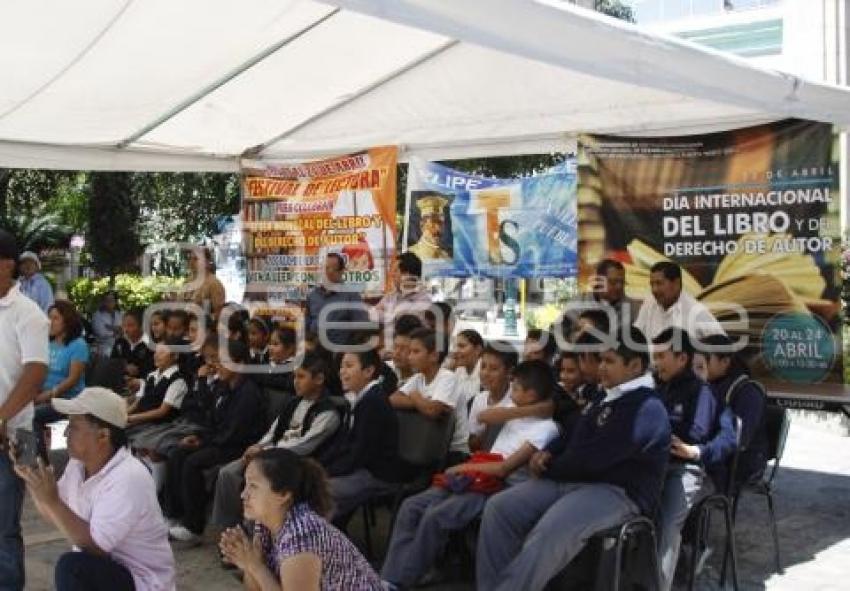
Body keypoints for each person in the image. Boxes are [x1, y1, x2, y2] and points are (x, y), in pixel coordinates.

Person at [476, 326, 670, 591]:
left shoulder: (647, 408)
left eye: (609, 361)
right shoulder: (606, 394)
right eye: (600, 359)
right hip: (573, 479)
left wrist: (549, 467)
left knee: (549, 531)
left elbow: (595, 460)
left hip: (616, 491)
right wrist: (549, 452)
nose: (601, 367)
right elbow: (575, 433)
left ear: (635, 365)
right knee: (500, 508)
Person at [382, 359, 560, 589]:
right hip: (475, 477)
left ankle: (402, 578)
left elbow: (504, 468)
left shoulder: (545, 429)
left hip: (496, 487)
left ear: (531, 394)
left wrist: (462, 467)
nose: (511, 392)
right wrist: (524, 410)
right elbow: (485, 417)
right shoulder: (515, 414)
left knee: (435, 516)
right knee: (411, 506)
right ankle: (389, 575)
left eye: (516, 389)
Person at [13, 387, 175, 591]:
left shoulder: (128, 476)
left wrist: (51, 500)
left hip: (141, 581)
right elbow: (55, 513)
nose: (65, 432)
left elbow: (95, 546)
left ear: (103, 436)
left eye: (73, 427)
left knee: (73, 568)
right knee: (75, 567)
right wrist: (31, 475)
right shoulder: (78, 465)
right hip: (110, 569)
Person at [212, 352, 342, 530]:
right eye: (294, 376)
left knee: (256, 482)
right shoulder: (293, 403)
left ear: (319, 379)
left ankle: (254, 534)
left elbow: (304, 446)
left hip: (296, 462)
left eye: (301, 376)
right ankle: (228, 529)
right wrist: (259, 446)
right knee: (227, 473)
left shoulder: (328, 413)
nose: (296, 381)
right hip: (272, 453)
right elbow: (273, 432)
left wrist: (265, 453)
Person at [219, 448, 383, 590]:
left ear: (283, 495)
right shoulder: (264, 524)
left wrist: (255, 566)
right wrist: (248, 561)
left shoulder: (302, 535)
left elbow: (260, 574)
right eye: (246, 485)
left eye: (253, 486)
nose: (243, 495)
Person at [166, 340, 266, 543]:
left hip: (237, 446)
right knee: (177, 453)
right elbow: (210, 417)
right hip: (218, 440)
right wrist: (200, 438)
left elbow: (233, 433)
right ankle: (176, 515)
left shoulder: (248, 393)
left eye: (223, 361)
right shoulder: (223, 386)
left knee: (193, 462)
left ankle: (194, 526)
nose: (217, 365)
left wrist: (203, 444)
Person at [0, 229, 49, 590]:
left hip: (18, 433)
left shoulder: (28, 312)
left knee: (5, 527)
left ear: (6, 265)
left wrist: (1, 417)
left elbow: (36, 372)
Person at [652, 328, 719, 591]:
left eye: (661, 355)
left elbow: (698, 433)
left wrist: (657, 424)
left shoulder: (701, 392)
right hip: (650, 466)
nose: (656, 362)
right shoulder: (656, 386)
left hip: (683, 470)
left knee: (667, 526)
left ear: (682, 359)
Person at [318, 349, 403, 522]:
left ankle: (320, 541)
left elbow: (360, 453)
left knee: (318, 491)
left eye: (349, 366)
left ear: (368, 371)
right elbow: (342, 443)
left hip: (376, 474)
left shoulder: (373, 401)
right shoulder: (358, 399)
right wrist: (319, 466)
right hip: (359, 468)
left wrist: (327, 473)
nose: (342, 371)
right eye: (341, 366)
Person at [389, 328, 469, 464]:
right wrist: (419, 402)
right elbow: (392, 399)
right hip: (426, 447)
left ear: (434, 356)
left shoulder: (447, 378)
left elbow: (433, 411)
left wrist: (416, 397)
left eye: (416, 352)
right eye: (409, 352)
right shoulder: (418, 378)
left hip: (452, 453)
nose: (409, 357)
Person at [700, 334, 769, 490]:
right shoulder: (707, 385)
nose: (700, 365)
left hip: (739, 464)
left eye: (706, 360)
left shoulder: (748, 392)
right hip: (713, 454)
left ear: (725, 362)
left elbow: (739, 440)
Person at [33, 300, 90, 459]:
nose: (49, 322)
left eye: (55, 318)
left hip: (68, 399)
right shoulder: (47, 343)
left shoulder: (78, 345)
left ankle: (38, 466)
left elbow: (72, 379)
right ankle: (23, 461)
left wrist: (48, 395)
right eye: (48, 317)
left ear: (67, 320)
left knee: (31, 416)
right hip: (43, 395)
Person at [635, 261, 724, 341]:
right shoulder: (649, 304)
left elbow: (721, 345)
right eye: (652, 284)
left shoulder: (696, 311)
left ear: (676, 284)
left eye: (659, 283)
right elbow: (636, 336)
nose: (654, 290)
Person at [126, 341, 190, 445]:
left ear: (175, 356)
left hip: (159, 423)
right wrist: (125, 414)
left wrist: (132, 418)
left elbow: (162, 412)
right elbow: (139, 401)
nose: (156, 356)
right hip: (140, 418)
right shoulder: (151, 375)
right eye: (156, 352)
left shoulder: (178, 380)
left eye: (162, 352)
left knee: (137, 442)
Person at [305, 253, 369, 350]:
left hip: (340, 350)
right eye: (322, 268)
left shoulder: (351, 296)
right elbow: (306, 323)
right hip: (314, 349)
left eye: (329, 268)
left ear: (341, 272)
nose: (324, 272)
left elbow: (362, 327)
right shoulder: (313, 295)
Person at [467, 342, 518, 453]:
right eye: (483, 366)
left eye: (493, 368)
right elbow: (472, 445)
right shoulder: (479, 399)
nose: (485, 373)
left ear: (510, 372)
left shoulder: (518, 400)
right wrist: (487, 428)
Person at [373, 251, 432, 332]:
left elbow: (401, 322)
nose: (392, 275)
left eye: (395, 271)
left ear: (406, 274)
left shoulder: (424, 299)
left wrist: (385, 315)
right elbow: (373, 314)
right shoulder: (391, 296)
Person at [579, 258, 639, 327]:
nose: (619, 287)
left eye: (622, 282)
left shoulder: (633, 308)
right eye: (613, 282)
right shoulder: (580, 304)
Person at [180, 246, 226, 322]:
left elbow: (219, 314)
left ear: (207, 262)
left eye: (196, 259)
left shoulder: (214, 284)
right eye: (190, 258)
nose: (191, 262)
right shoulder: (187, 281)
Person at [111, 308, 154, 379]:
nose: (126, 329)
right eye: (124, 325)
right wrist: (124, 367)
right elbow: (112, 363)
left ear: (141, 326)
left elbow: (152, 369)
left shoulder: (150, 344)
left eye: (130, 325)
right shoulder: (120, 342)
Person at [254, 326, 298, 393]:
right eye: (270, 343)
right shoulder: (265, 362)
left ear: (290, 348)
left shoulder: (293, 370)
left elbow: (283, 384)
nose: (270, 347)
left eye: (275, 344)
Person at [447, 329, 484, 408]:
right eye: (455, 346)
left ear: (477, 350)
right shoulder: (458, 369)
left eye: (461, 346)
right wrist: (449, 370)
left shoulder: (485, 372)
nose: (455, 351)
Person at [408, 194, 451, 260]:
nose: (438, 227)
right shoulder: (410, 254)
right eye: (433, 222)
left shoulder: (446, 257)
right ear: (422, 225)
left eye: (441, 223)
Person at [386, 314, 423, 387]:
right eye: (395, 347)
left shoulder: (424, 379)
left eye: (403, 348)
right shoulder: (383, 371)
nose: (397, 353)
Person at [91, 291, 123, 358]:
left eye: (112, 300)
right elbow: (101, 333)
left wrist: (111, 327)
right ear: (103, 302)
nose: (109, 302)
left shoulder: (120, 314)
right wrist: (116, 331)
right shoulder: (97, 315)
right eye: (107, 300)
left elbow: (125, 329)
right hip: (103, 347)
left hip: (120, 346)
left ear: (115, 302)